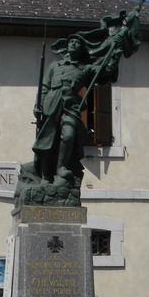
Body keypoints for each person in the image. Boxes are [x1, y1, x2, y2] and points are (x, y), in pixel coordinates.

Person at [31, 34, 121, 185]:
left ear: (81, 48)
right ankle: (45, 176)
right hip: (51, 102)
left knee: (68, 135)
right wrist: (38, 104)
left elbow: (105, 71)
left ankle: (61, 167)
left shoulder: (85, 69)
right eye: (71, 41)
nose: (73, 44)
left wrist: (115, 53)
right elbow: (44, 87)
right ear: (66, 46)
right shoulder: (55, 66)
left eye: (77, 43)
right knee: (48, 140)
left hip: (71, 104)